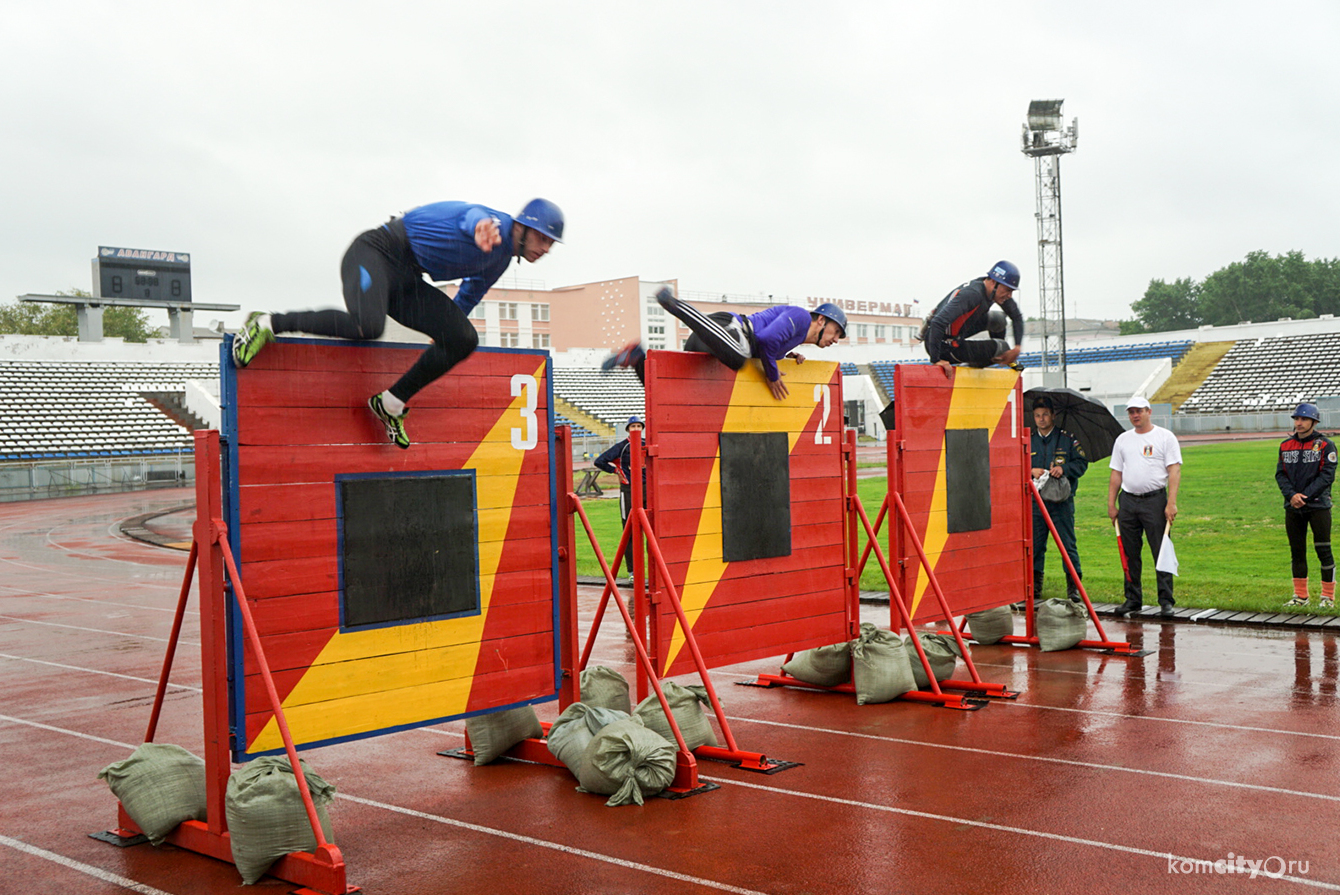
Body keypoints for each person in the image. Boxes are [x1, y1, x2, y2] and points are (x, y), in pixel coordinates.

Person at [230, 198, 564, 449]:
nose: (546, 249)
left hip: (407, 278)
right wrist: (480, 227)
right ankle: (268, 323)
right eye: (544, 239)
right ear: (523, 227)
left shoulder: (500, 258)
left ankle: (391, 402)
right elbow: (469, 215)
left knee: (463, 337)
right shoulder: (493, 223)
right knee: (368, 326)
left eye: (551, 243)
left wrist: (444, 334)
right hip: (375, 252)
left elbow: (470, 294)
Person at [603, 287, 846, 400]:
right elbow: (763, 340)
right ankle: (677, 305)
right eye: (836, 332)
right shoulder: (802, 317)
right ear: (821, 320)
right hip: (727, 330)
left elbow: (771, 345)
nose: (835, 340)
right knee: (739, 358)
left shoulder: (794, 337)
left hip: (713, 344)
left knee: (670, 395)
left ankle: (636, 358)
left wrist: (787, 357)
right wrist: (772, 374)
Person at [1107, 396, 1183, 617]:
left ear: (1149, 411)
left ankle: (1166, 601)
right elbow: (1116, 473)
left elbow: (1174, 471)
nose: (1135, 415)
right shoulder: (1122, 439)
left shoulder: (1164, 437)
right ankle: (1132, 599)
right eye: (1131, 412)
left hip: (1155, 501)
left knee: (1161, 551)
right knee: (1130, 553)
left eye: (1139, 411)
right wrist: (1111, 504)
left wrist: (1171, 503)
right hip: (1128, 501)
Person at [1276, 402, 1337, 609]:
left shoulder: (1325, 445)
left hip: (1318, 506)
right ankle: (1300, 596)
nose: (1299, 423)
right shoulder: (1285, 445)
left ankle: (1327, 597)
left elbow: (1327, 475)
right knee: (1297, 551)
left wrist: (1305, 496)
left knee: (1324, 550)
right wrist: (1292, 496)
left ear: (1314, 421)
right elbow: (1280, 474)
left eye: (1303, 419)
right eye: (1296, 419)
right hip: (1293, 507)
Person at [1030, 396, 1090, 602]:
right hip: (1036, 503)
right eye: (1037, 415)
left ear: (1053, 415)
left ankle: (1073, 588)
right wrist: (1031, 470)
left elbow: (1082, 464)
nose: (1041, 419)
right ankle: (1034, 587)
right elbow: (1016, 466)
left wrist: (1064, 468)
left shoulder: (1067, 438)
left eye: (1045, 414)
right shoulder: (1028, 440)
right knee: (1035, 546)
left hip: (1061, 503)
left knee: (1067, 545)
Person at [923, 260, 1025, 376]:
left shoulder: (992, 290)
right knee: (1003, 347)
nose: (1009, 296)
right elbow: (937, 322)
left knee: (999, 320)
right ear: (993, 282)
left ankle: (1001, 356)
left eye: (1011, 291)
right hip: (944, 346)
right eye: (1007, 290)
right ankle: (972, 364)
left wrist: (1017, 347)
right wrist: (936, 360)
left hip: (958, 332)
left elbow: (1016, 316)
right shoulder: (973, 295)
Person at [594, 416, 646, 578]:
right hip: (628, 490)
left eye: (638, 426)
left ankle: (654, 571)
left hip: (647, 490)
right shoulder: (621, 447)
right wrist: (615, 471)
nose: (636, 429)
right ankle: (632, 572)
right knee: (629, 530)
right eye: (633, 426)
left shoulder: (646, 444)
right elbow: (600, 461)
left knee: (653, 529)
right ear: (628, 429)